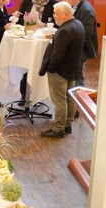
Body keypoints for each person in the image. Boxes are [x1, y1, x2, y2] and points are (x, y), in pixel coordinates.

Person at [39, 2, 84, 138]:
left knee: (59, 100)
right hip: (71, 69)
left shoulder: (64, 30)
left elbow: (57, 55)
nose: (54, 17)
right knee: (69, 99)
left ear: (65, 14)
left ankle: (58, 129)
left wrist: (50, 68)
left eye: (56, 14)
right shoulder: (78, 25)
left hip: (60, 71)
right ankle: (67, 125)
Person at [68, 0, 97, 87]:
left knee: (78, 78)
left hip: (81, 49)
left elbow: (86, 33)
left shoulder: (86, 9)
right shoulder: (78, 6)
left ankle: (78, 99)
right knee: (75, 76)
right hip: (77, 47)